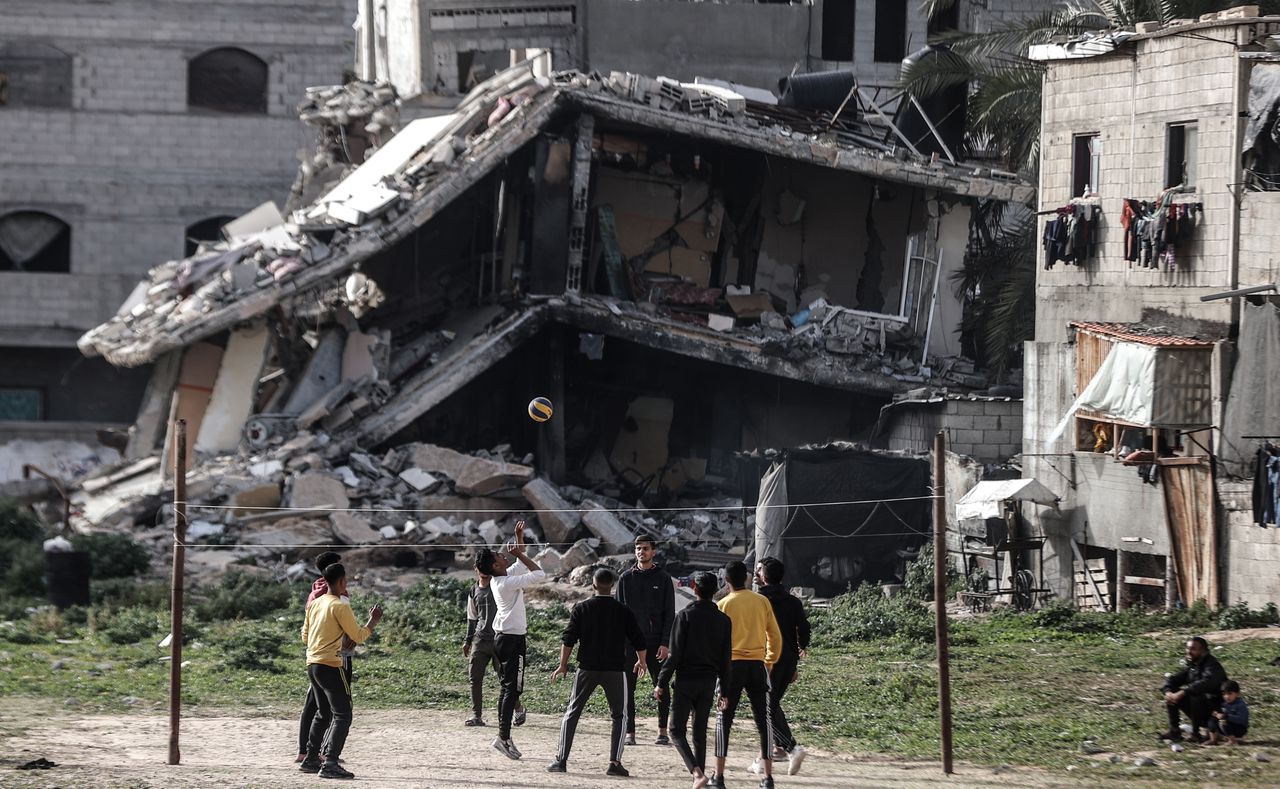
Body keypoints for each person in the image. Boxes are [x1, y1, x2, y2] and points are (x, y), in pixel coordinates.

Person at [548, 567, 648, 777]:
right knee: (620, 715)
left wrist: (563, 665)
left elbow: (568, 639)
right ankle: (614, 762)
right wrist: (642, 662)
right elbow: (639, 640)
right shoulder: (623, 610)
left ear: (593, 585)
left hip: (587, 668)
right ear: (612, 586)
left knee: (572, 712)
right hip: (614, 669)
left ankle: (561, 760)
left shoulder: (581, 608)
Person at [300, 562, 382, 780]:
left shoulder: (315, 604)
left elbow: (305, 637)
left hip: (312, 664)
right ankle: (330, 762)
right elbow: (357, 636)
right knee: (343, 714)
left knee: (323, 712)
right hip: (331, 665)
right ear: (341, 582)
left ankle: (310, 758)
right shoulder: (340, 606)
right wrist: (373, 621)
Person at [477, 517, 546, 760]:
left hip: (507, 639)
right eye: (499, 557)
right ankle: (503, 738)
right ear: (495, 567)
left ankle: (503, 736)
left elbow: (518, 560)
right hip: (510, 641)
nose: (503, 556)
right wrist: (522, 554)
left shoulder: (504, 576)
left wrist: (519, 540)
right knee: (512, 690)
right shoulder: (504, 582)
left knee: (509, 690)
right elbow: (539, 574)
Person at [656, 571, 732, 789]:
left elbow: (675, 655)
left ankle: (697, 773)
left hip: (686, 681)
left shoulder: (684, 616)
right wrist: (724, 691)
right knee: (699, 731)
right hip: (708, 682)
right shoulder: (724, 620)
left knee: (675, 730)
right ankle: (700, 778)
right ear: (715, 591)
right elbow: (725, 659)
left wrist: (661, 682)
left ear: (695, 590)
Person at [712, 561, 783, 789]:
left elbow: (716, 643)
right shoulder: (762, 601)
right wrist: (769, 661)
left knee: (724, 720)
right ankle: (767, 778)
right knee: (764, 720)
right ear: (746, 578)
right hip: (756, 665)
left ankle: (719, 776)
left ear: (726, 580)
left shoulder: (722, 604)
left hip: (730, 667)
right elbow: (775, 636)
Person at [754, 557, 811, 776]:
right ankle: (773, 750)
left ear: (765, 576)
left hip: (767, 659)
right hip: (788, 660)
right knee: (771, 703)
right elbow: (804, 628)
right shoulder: (792, 601)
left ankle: (790, 747)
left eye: (759, 570)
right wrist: (802, 648)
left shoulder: (759, 600)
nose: (756, 573)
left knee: (766, 707)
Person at [617, 533, 676, 745]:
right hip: (631, 644)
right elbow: (619, 613)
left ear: (653, 551)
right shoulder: (625, 579)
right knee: (627, 689)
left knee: (661, 685)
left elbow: (670, 613)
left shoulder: (663, 578)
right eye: (638, 549)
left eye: (645, 548)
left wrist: (665, 642)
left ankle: (662, 731)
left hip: (655, 643)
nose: (641, 552)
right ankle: (630, 733)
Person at [297, 551, 347, 763]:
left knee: (315, 706)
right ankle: (328, 756)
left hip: (313, 657)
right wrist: (371, 624)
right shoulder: (335, 597)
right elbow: (352, 632)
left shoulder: (313, 594)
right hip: (333, 656)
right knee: (338, 711)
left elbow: (306, 632)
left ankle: (307, 752)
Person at [463, 566, 525, 727]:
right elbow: (472, 617)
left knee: (505, 680)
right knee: (475, 678)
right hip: (480, 640)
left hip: (499, 638)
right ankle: (477, 715)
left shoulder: (498, 586)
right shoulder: (474, 590)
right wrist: (468, 640)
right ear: (475, 568)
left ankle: (518, 708)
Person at [1160, 636, 1228, 743]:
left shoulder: (1212, 666)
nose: (1188, 652)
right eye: (1187, 648)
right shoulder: (1194, 666)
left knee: (1196, 695)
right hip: (1200, 710)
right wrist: (1168, 692)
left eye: (1193, 649)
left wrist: (1183, 692)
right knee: (1173, 691)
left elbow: (1206, 683)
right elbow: (1172, 680)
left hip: (1216, 714)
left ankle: (1196, 734)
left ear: (1203, 651)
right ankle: (1175, 732)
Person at [1207, 680, 1250, 745]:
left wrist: (1226, 716)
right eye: (1224, 694)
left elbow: (1242, 719)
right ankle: (1213, 739)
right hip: (1227, 726)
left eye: (1230, 693)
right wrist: (1216, 714)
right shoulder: (1224, 704)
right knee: (1212, 720)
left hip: (1239, 728)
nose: (1226, 696)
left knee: (1223, 721)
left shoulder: (1240, 705)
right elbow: (1219, 713)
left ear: (1237, 694)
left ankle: (1232, 741)